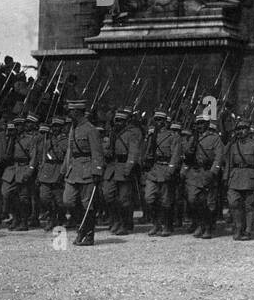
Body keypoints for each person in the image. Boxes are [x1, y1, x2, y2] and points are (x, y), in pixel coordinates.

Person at [64, 100, 106, 246]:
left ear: (78, 112)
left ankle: (88, 234)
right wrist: (65, 169)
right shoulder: (73, 128)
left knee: (87, 204)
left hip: (87, 171)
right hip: (73, 170)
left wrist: (97, 171)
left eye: (71, 111)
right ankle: (80, 226)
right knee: (68, 201)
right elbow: (70, 151)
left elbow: (97, 152)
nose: (69, 114)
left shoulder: (90, 129)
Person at [222, 119, 254, 240]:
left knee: (249, 205)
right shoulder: (233, 145)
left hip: (249, 177)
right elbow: (228, 162)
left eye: (243, 129)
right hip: (235, 177)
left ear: (248, 130)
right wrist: (226, 177)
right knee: (233, 203)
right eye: (239, 129)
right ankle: (238, 226)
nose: (241, 131)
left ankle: (248, 230)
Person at [142, 110, 182, 237]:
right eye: (156, 120)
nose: (158, 122)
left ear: (166, 122)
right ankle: (156, 223)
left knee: (166, 201)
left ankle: (166, 225)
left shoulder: (173, 136)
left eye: (161, 120)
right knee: (149, 198)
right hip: (154, 170)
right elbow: (146, 152)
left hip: (165, 170)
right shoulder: (152, 136)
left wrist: (170, 170)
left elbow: (175, 155)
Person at [184, 112, 224, 239]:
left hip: (208, 172)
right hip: (194, 173)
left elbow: (219, 157)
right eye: (197, 124)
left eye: (202, 123)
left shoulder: (214, 138)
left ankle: (207, 227)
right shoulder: (192, 138)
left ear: (207, 124)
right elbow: (187, 156)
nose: (199, 126)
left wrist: (213, 172)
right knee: (192, 200)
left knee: (209, 202)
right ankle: (199, 224)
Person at [104, 108, 142, 236]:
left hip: (124, 167)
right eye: (117, 120)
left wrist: (128, 168)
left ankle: (125, 224)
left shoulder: (132, 133)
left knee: (124, 199)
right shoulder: (113, 133)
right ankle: (116, 220)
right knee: (108, 195)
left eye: (121, 121)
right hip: (112, 167)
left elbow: (134, 152)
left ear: (126, 122)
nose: (118, 123)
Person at [36, 117, 68, 229]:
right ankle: (51, 216)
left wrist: (63, 173)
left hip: (59, 169)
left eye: (58, 126)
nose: (55, 129)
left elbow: (67, 158)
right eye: (53, 126)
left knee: (59, 200)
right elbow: (42, 158)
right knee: (44, 197)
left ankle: (59, 218)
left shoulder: (65, 141)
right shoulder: (47, 141)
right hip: (46, 171)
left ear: (61, 128)